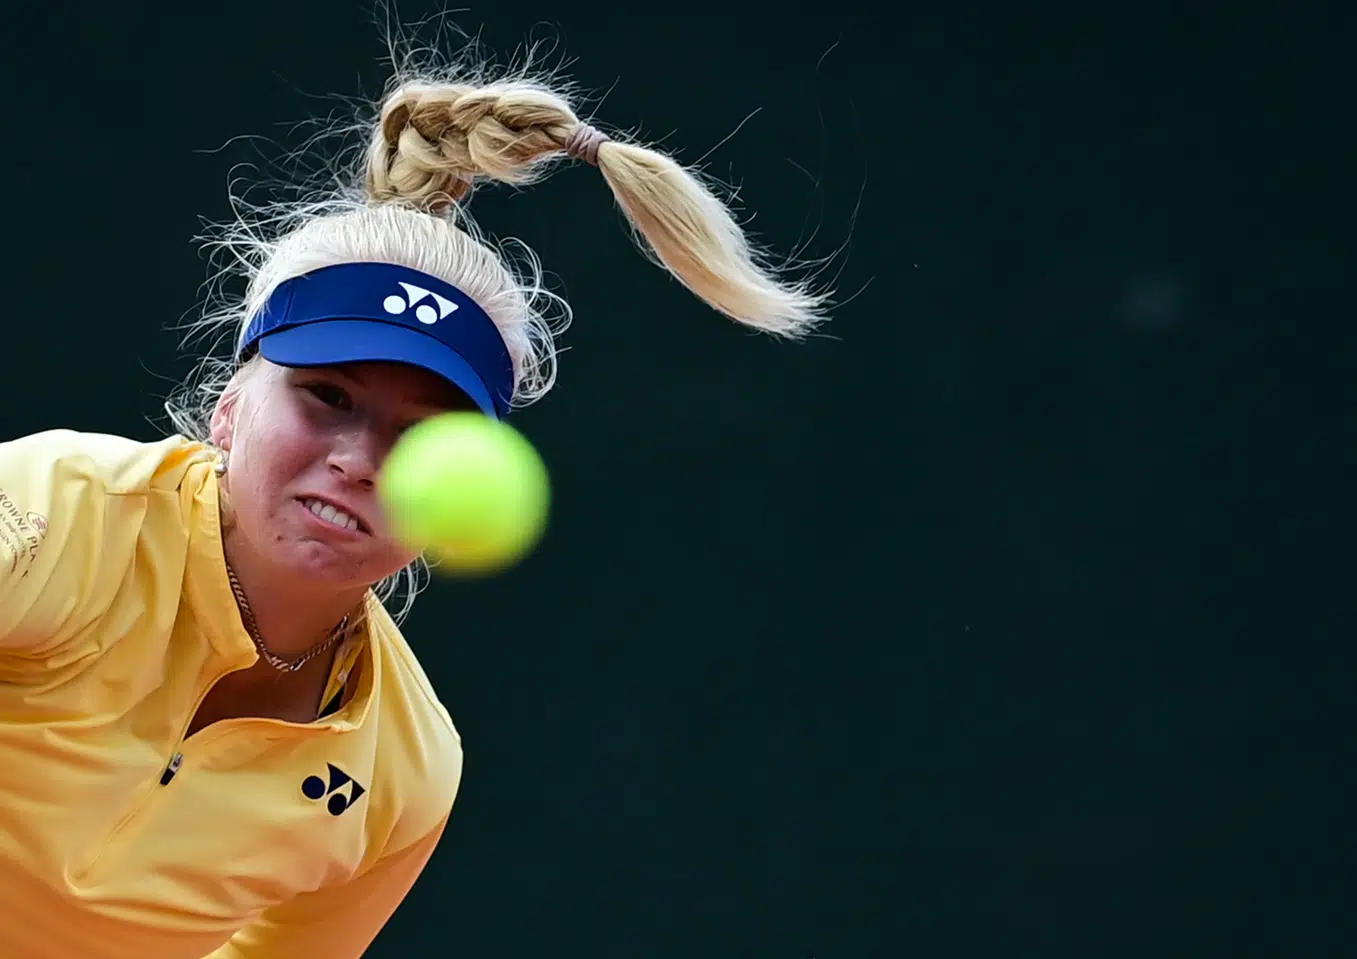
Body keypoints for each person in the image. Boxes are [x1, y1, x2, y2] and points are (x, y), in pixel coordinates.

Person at [0, 53, 827, 959]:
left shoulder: (405, 772)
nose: (359, 462)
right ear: (228, 406)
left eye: (421, 439)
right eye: (328, 397)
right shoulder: (53, 515)